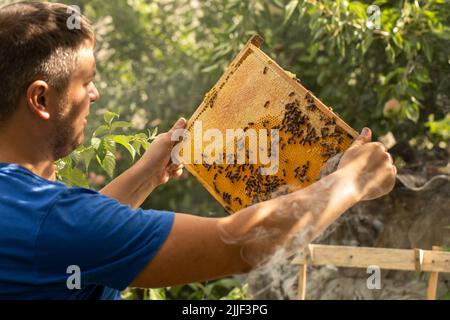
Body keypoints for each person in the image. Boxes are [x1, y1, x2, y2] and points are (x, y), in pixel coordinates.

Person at [0, 2, 396, 300]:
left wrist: (147, 173)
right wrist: (353, 180)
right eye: (86, 82)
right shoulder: (51, 220)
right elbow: (242, 244)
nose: (95, 94)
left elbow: (79, 238)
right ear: (41, 98)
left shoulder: (24, 209)